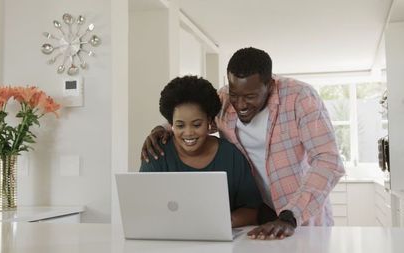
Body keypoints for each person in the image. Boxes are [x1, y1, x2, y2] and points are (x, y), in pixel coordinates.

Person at [142, 47, 345, 240]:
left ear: (270, 85)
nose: (239, 104)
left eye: (250, 96)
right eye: (235, 94)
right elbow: (194, 119)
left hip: (299, 217)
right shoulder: (224, 100)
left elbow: (328, 162)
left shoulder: (300, 98)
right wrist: (160, 130)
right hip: (259, 216)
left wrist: (290, 216)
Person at [140, 75, 263, 228]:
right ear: (170, 124)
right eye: (180, 126)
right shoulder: (156, 154)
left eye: (197, 125)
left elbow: (251, 210)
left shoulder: (231, 155)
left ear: (210, 122)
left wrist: (217, 224)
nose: (189, 133)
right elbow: (142, 209)